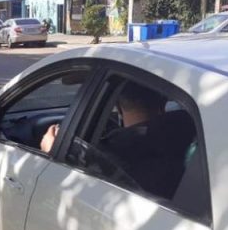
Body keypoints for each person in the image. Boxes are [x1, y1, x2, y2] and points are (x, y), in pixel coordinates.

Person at [40, 82, 194, 199]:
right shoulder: (189, 132)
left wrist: (51, 150)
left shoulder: (107, 152)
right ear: (163, 105)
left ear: (118, 109)